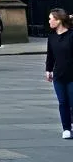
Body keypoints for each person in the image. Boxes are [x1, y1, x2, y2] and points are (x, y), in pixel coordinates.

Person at [47, 7, 73, 139]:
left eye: (51, 19)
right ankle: (66, 128)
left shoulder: (71, 35)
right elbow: (50, 55)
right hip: (58, 75)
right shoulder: (51, 37)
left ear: (58, 20)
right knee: (63, 102)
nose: (49, 22)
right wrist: (48, 70)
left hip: (72, 75)